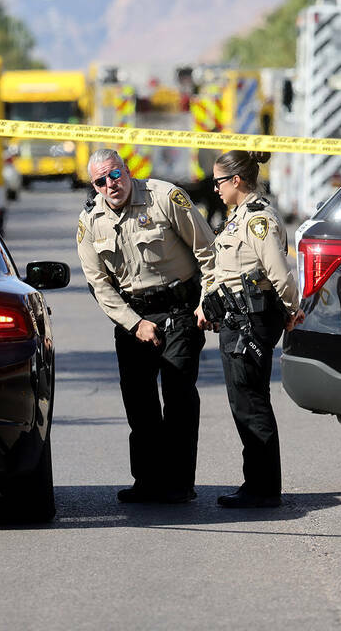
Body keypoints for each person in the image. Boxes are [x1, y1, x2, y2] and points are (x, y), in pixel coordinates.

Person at [76, 148, 216, 503]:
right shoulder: (90, 221)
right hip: (133, 320)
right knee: (139, 404)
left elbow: (208, 251)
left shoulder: (165, 198)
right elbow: (99, 284)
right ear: (93, 186)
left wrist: (204, 303)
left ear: (126, 169)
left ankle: (179, 483)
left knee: (179, 398)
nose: (110, 185)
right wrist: (134, 323)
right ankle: (148, 481)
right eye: (100, 181)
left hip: (178, 311)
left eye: (115, 175)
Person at [200, 150, 304, 508]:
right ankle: (258, 483)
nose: (214, 189)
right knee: (245, 400)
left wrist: (293, 310)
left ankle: (262, 488)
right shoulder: (238, 217)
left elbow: (279, 271)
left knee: (250, 403)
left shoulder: (258, 220)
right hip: (236, 319)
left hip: (249, 321)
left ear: (236, 181)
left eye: (218, 182)